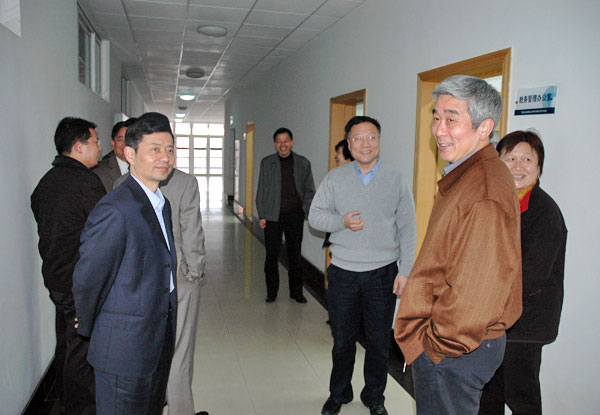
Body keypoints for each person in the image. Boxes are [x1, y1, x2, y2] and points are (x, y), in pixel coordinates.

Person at [394, 75, 523, 415]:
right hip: (455, 345)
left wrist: (434, 347)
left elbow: (477, 291)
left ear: (485, 128)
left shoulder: (483, 189)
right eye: (436, 117)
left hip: (455, 350)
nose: (439, 130)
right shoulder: (467, 174)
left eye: (451, 119)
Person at [309, 115, 417, 415]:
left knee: (379, 342)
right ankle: (339, 393)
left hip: (383, 273)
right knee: (342, 340)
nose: (365, 144)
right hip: (344, 272)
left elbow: (408, 228)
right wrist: (340, 222)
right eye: (357, 138)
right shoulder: (335, 178)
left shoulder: (396, 179)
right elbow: (315, 216)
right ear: (348, 143)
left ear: (379, 141)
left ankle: (374, 397)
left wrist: (405, 271)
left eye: (371, 137)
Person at [72, 112, 177, 415]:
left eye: (169, 149)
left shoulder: (161, 204)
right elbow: (89, 276)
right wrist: (90, 324)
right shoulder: (116, 209)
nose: (165, 157)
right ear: (130, 154)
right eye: (155, 149)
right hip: (123, 350)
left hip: (157, 339)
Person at [479, 130, 567, 415]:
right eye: (511, 158)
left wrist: (485, 297)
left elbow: (532, 275)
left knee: (521, 398)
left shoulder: (545, 212)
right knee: (488, 393)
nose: (518, 166)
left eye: (527, 159)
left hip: (525, 323)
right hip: (491, 320)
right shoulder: (496, 203)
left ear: (538, 168)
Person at [114, 167, 209, 415]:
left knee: (145, 349)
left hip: (137, 280)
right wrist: (195, 271)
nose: (166, 155)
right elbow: (191, 231)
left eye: (169, 149)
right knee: (179, 350)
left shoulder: (122, 184)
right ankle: (180, 409)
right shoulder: (185, 182)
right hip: (177, 278)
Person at [31, 116, 105, 415]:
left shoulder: (47, 182)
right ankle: (81, 408)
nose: (99, 148)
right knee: (82, 349)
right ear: (78, 146)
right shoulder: (85, 183)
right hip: (79, 283)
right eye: (95, 142)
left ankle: (64, 399)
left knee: (66, 342)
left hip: (56, 278)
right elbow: (107, 231)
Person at [255, 127, 316, 303]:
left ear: (292, 142)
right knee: (271, 256)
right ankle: (271, 292)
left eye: (286, 140)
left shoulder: (303, 163)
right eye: (279, 141)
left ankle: (296, 292)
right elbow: (262, 190)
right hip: (272, 217)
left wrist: (305, 210)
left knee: (295, 256)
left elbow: (309, 190)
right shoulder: (267, 163)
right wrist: (262, 215)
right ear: (275, 144)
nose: (283, 144)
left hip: (295, 216)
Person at [93, 118, 136, 192]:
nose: (125, 144)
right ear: (113, 143)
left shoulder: (146, 168)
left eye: (129, 139)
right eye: (120, 140)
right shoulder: (99, 171)